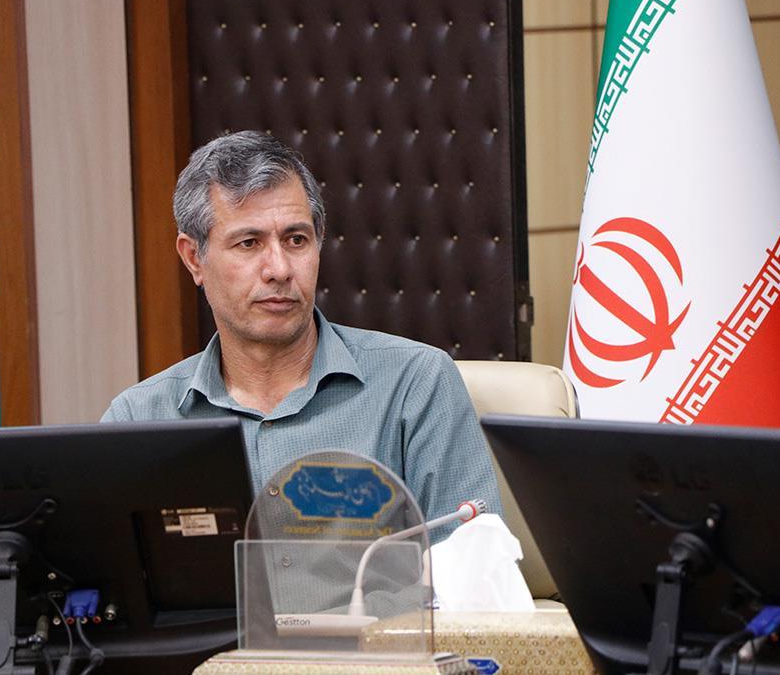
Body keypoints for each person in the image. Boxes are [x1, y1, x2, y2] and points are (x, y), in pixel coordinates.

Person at [102, 131, 501, 533]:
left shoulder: (415, 383)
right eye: (249, 243)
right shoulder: (139, 419)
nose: (279, 269)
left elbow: (473, 560)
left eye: (296, 240)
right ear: (194, 258)